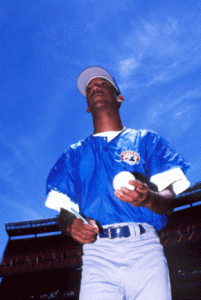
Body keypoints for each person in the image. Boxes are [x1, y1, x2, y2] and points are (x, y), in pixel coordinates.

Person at [45, 66, 190, 300]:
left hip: (146, 250)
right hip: (97, 254)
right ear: (87, 106)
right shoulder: (72, 155)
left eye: (102, 84)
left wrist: (148, 198)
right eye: (90, 89)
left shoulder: (147, 140)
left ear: (118, 97)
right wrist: (71, 225)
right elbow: (64, 215)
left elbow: (168, 203)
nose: (95, 88)